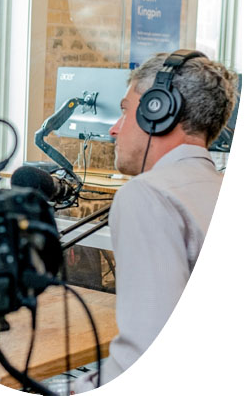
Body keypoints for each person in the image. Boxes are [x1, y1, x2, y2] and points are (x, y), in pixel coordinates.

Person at [71, 50, 238, 392]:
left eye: (125, 111)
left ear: (158, 110)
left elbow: (147, 353)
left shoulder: (149, 195)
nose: (114, 130)